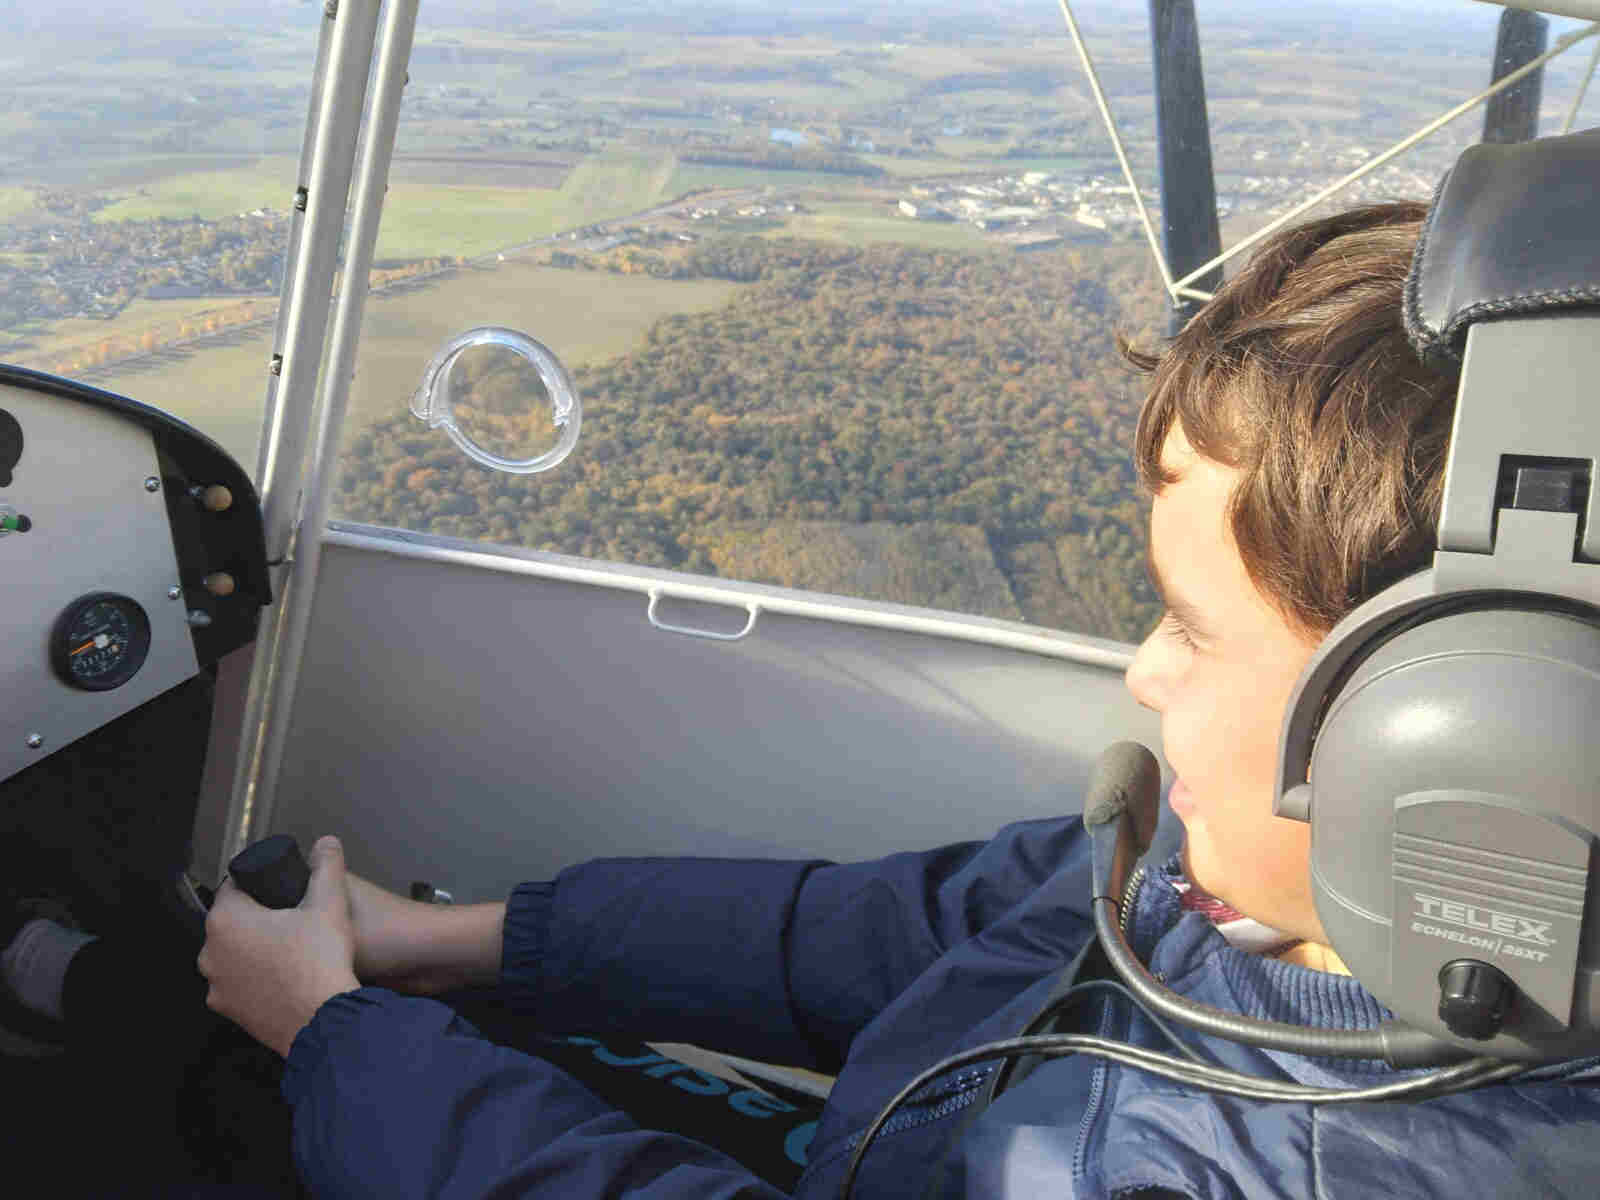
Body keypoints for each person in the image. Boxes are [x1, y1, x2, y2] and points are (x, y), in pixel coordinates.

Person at [6, 198, 1600, 1199]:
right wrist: (469, 942)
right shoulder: (1260, 898)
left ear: (1465, 739)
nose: (1141, 670)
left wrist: (335, 1037)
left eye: (1188, 626)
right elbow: (925, 925)